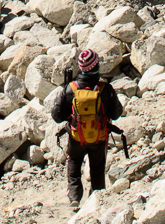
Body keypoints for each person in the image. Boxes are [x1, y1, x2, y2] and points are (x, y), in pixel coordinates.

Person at [51, 48, 123, 207]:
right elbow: (117, 113)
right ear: (96, 66)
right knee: (97, 167)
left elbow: (56, 115)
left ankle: (75, 197)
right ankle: (97, 198)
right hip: (99, 137)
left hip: (76, 137)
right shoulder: (105, 89)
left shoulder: (71, 89)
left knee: (74, 162)